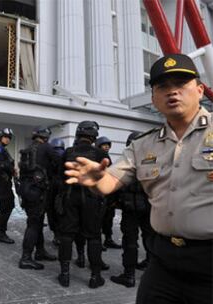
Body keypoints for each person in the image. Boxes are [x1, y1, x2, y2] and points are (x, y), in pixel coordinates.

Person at [64, 54, 212, 304]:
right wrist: (98, 180)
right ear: (154, 98)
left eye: (180, 84)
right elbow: (112, 180)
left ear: (199, 90)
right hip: (163, 259)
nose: (172, 92)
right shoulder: (143, 145)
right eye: (163, 87)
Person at [57, 121, 109, 289]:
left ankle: (65, 275)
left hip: (71, 196)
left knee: (66, 235)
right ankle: (95, 276)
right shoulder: (101, 153)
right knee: (93, 237)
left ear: (78, 134)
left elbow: (59, 177)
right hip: (92, 199)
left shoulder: (68, 152)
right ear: (94, 136)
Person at [110, 131, 154, 288]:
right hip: (148, 207)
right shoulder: (152, 160)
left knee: (130, 241)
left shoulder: (124, 161)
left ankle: (129, 275)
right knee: (149, 238)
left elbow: (115, 184)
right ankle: (151, 269)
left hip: (130, 208)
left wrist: (115, 202)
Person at [18, 126, 61, 270]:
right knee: (34, 224)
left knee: (37, 222)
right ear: (46, 137)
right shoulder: (46, 148)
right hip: (38, 192)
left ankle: (40, 251)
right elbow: (60, 162)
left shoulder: (28, 149)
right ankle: (26, 258)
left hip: (27, 191)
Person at [95, 136, 122, 249]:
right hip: (99, 193)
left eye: (107, 145)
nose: (106, 147)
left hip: (109, 193)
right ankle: (97, 242)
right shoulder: (96, 157)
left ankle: (108, 239)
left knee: (108, 218)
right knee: (98, 219)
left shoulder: (107, 157)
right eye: (103, 145)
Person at [46, 138, 66, 246]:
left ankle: (56, 235)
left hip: (51, 186)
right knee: (62, 210)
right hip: (63, 186)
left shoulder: (50, 155)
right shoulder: (66, 154)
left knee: (51, 210)